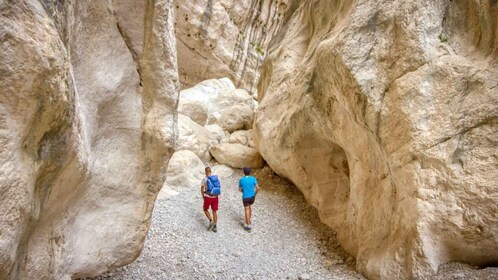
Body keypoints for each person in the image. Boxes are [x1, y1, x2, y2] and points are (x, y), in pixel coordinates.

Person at [238, 166, 260, 232]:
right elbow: (258, 188)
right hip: (252, 197)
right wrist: (255, 194)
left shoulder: (241, 180)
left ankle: (248, 225)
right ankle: (249, 220)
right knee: (250, 207)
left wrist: (243, 191)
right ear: (249, 172)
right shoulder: (253, 178)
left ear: (244, 172)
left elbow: (239, 189)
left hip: (246, 197)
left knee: (246, 210)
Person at [201, 167, 219, 232]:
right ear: (210, 171)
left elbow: (202, 189)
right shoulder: (215, 178)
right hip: (215, 197)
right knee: (214, 211)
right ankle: (215, 226)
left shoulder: (204, 179)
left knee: (205, 209)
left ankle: (211, 220)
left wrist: (203, 196)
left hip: (208, 197)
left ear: (205, 172)